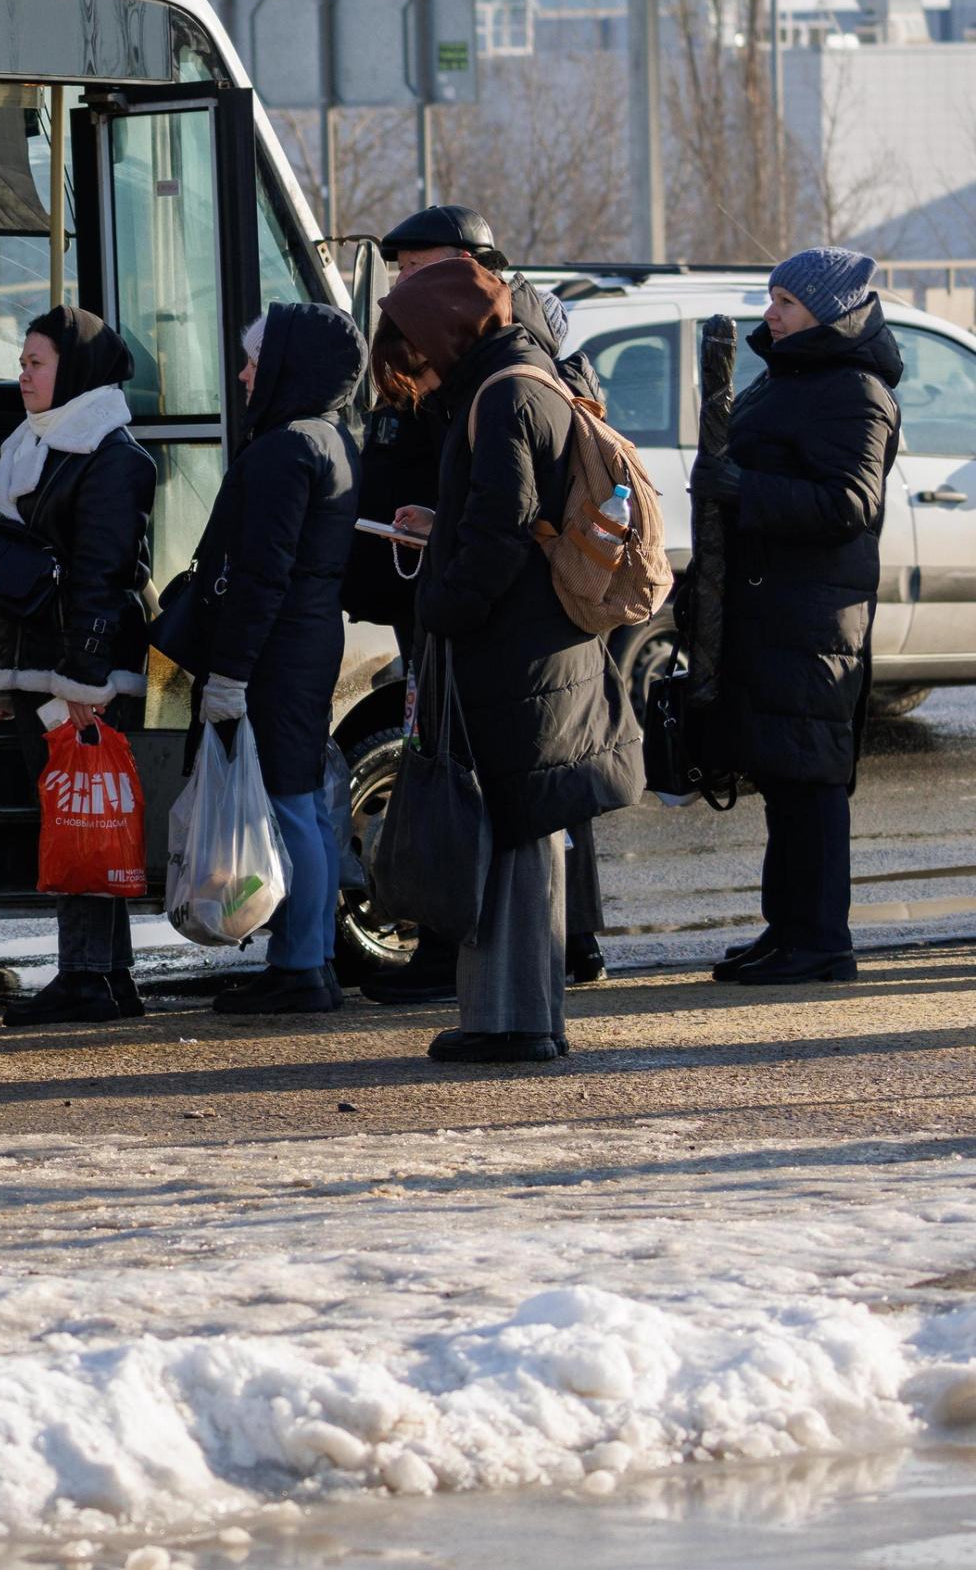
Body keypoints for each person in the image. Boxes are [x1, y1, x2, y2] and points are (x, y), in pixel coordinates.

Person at [373, 256, 642, 1062]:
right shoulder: (519, 380)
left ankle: (515, 1023)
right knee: (522, 828)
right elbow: (504, 518)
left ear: (447, 333)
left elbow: (501, 531)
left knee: (517, 832)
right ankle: (516, 1018)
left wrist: (443, 606)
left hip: (515, 650)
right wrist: (444, 522)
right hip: (536, 644)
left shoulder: (506, 395)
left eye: (412, 355)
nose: (414, 374)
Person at [702, 248, 902, 986]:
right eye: (771, 297)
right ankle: (786, 929)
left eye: (784, 300)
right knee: (782, 775)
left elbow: (851, 502)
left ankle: (821, 938)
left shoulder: (854, 389)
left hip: (817, 617)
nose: (770, 312)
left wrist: (743, 486)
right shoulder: (788, 374)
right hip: (774, 607)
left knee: (811, 780)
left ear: (828, 309)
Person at [163, 303, 364, 1015]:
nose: (245, 374)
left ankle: (301, 965)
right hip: (307, 640)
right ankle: (312, 955)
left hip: (278, 650)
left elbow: (261, 573)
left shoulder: (286, 448)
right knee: (300, 797)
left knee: (285, 800)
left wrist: (230, 673)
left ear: (290, 366)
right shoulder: (332, 438)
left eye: (256, 360)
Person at [0, 309, 158, 1028]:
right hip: (32, 667)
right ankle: (109, 975)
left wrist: (88, 683)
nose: (22, 374)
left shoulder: (111, 458)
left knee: (81, 814)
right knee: (82, 813)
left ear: (74, 371)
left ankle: (86, 977)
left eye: (37, 362)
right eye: (21, 360)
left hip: (76, 672)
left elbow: (103, 577)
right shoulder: (29, 444)